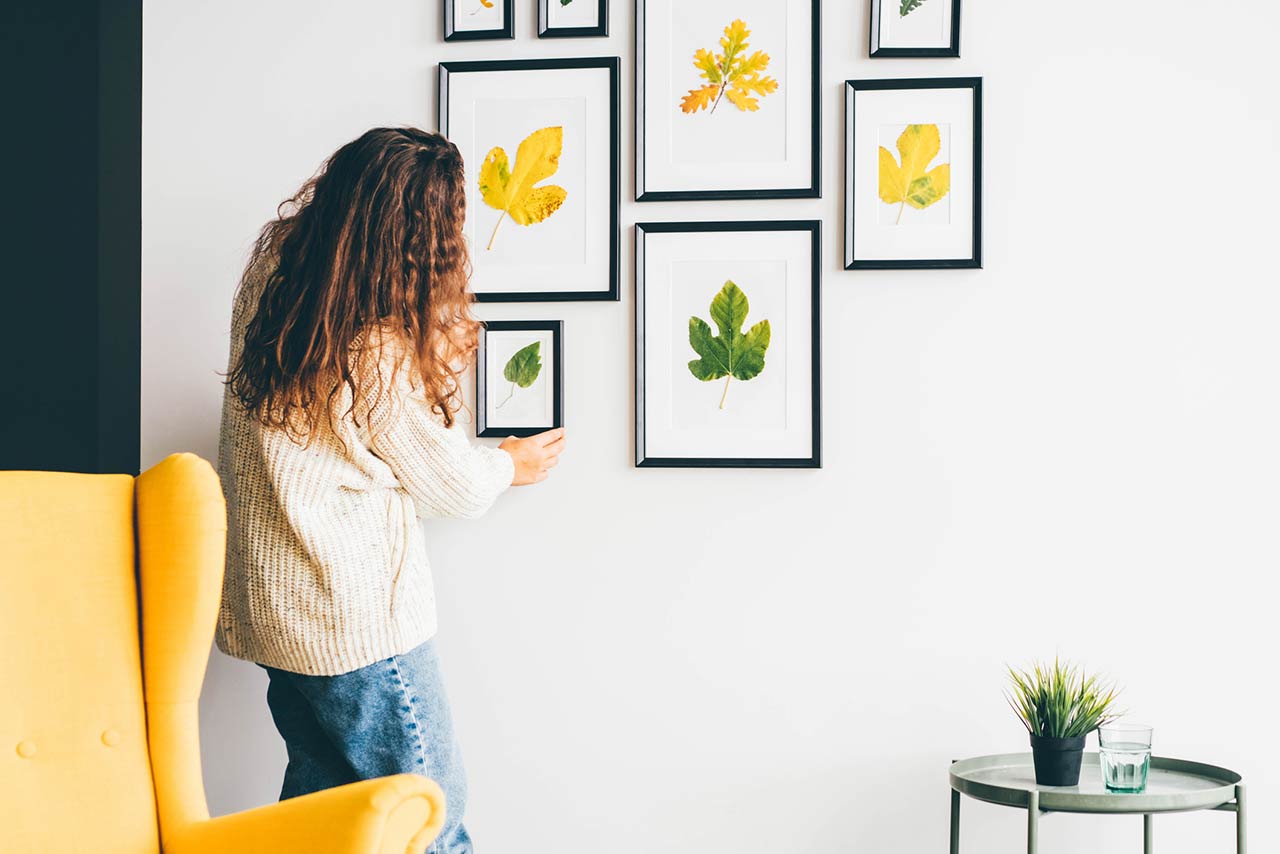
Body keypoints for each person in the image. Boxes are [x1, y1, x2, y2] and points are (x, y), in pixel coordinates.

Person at [217, 127, 563, 854]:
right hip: (353, 625)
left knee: (322, 818)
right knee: (429, 819)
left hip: (274, 613)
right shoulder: (372, 343)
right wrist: (507, 463)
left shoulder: (275, 268)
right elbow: (451, 484)